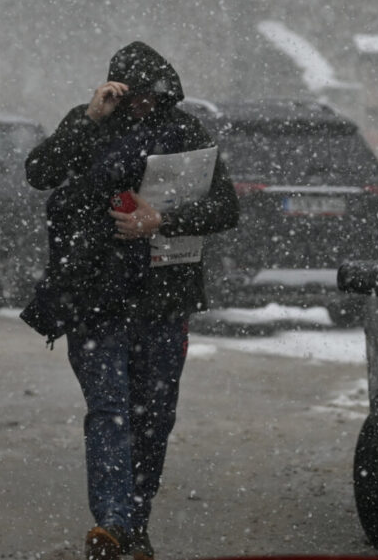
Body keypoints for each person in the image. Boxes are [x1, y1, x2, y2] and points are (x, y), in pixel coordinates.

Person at [20, 41, 239, 560]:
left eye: (147, 97)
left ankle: (134, 523)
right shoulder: (89, 123)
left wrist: (160, 220)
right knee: (110, 411)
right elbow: (39, 173)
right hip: (94, 298)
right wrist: (89, 120)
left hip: (163, 301)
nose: (138, 105)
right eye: (128, 96)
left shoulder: (184, 132)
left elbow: (225, 207)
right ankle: (113, 523)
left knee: (154, 417)